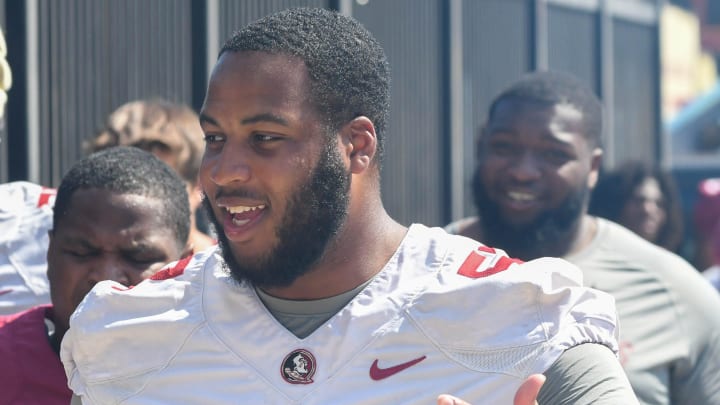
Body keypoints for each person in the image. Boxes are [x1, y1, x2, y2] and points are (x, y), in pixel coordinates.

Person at [61, 9, 636, 404]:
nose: (222, 170)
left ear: (356, 146)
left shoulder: (519, 314)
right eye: (215, 138)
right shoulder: (133, 327)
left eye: (265, 138)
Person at [447, 70, 720, 404]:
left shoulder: (676, 293)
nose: (523, 170)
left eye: (554, 154)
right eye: (504, 147)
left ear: (593, 167)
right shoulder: (420, 270)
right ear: (480, 146)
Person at [0, 146, 191, 404]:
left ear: (184, 266)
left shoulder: (225, 370)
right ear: (50, 253)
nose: (105, 278)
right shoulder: (6, 360)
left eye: (138, 258)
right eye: (82, 252)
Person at [87, 98, 216, 252]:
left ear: (200, 187)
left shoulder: (226, 272)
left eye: (158, 185)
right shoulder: (85, 268)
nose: (134, 199)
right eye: (116, 183)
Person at [589, 160, 684, 253]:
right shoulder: (598, 257)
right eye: (639, 201)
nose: (648, 210)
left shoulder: (672, 265)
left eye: (659, 203)